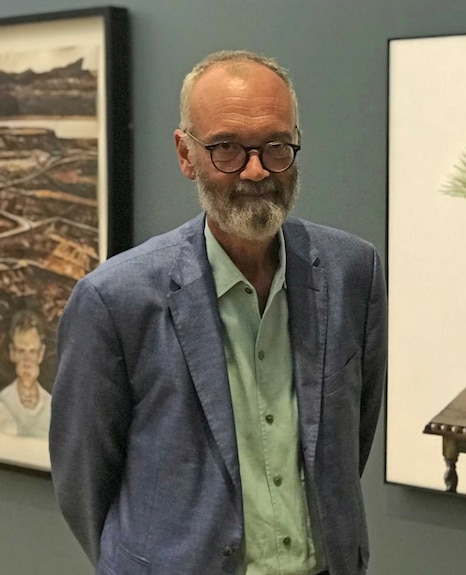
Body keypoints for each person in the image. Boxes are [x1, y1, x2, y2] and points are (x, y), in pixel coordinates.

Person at [50, 50, 387, 575]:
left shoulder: (353, 273)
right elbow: (83, 480)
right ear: (186, 154)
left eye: (276, 146)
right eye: (227, 148)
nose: (255, 170)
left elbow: (350, 441)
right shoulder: (114, 300)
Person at [0, 309, 51, 438]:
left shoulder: (53, 408)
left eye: (32, 351)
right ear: (12, 353)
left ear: (41, 353)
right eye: (21, 351)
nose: (27, 360)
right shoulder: (3, 401)